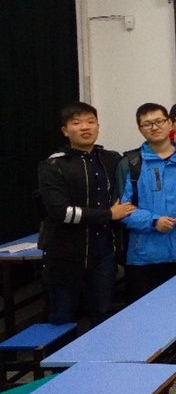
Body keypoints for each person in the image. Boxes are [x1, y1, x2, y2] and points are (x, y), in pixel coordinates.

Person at [37, 102, 134, 326]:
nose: (85, 127)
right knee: (62, 320)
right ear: (65, 130)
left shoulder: (111, 159)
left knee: (103, 316)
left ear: (98, 126)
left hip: (104, 254)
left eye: (91, 121)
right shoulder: (53, 165)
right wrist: (108, 215)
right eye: (77, 122)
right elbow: (60, 212)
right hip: (64, 256)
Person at [117, 103, 176, 303]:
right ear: (140, 129)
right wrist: (153, 221)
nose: (154, 127)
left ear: (169, 123)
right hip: (144, 258)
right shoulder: (131, 163)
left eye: (159, 121)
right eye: (147, 124)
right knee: (145, 314)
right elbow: (121, 209)